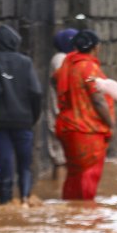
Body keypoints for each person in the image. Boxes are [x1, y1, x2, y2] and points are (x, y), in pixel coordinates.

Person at [54, 29, 114, 200]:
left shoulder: (68, 64)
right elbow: (98, 99)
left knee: (73, 174)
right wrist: (110, 124)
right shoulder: (89, 67)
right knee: (89, 173)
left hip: (67, 126)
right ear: (95, 47)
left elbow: (54, 81)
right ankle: (86, 217)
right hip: (87, 130)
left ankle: (71, 212)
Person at [0, 24, 41, 206]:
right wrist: (32, 117)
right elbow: (36, 92)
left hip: (0, 123)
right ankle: (25, 199)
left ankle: (5, 203)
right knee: (25, 165)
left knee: (5, 164)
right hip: (23, 121)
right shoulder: (25, 62)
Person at [46, 29, 77, 174]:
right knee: (60, 158)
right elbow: (64, 81)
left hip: (62, 115)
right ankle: (59, 194)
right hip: (59, 114)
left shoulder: (65, 58)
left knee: (63, 157)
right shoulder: (60, 58)